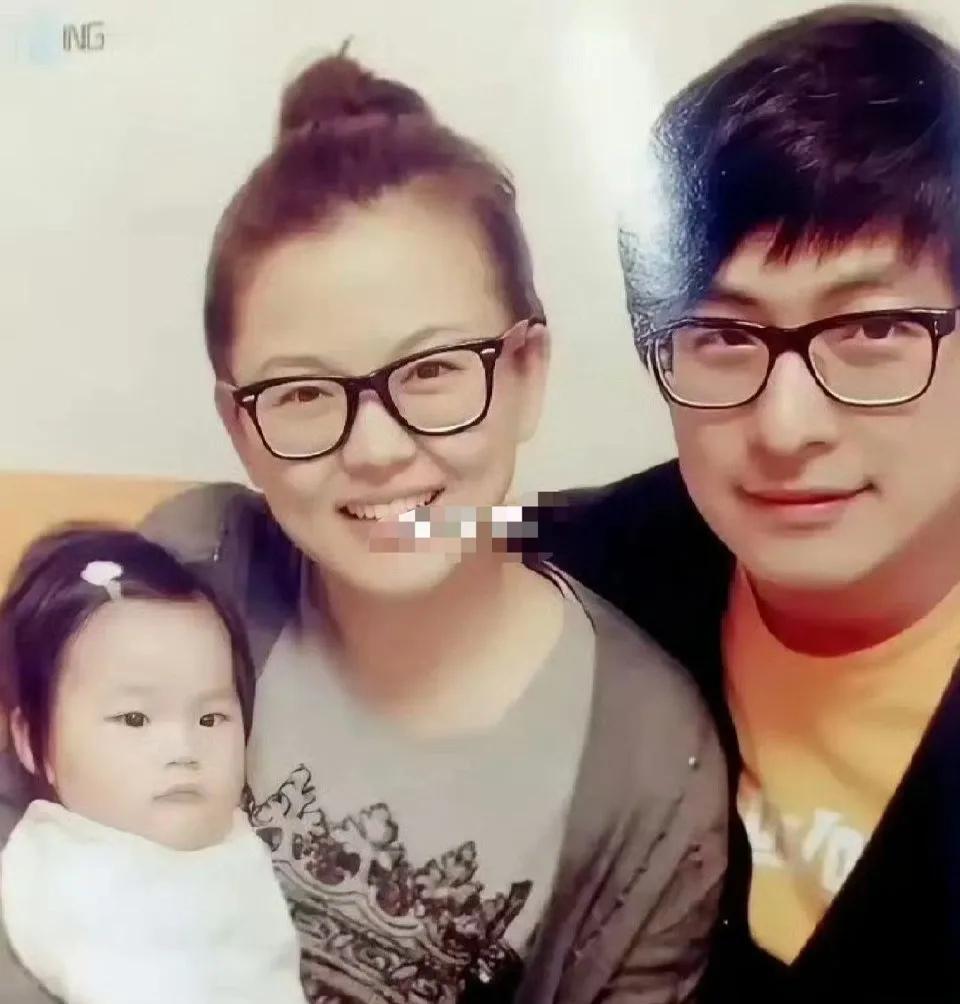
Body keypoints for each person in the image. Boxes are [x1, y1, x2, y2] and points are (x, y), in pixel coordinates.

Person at [0, 54, 728, 1004]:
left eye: (431, 372)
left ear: (525, 372)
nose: (378, 450)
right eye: (303, 392)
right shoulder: (194, 568)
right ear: (239, 427)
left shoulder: (648, 768)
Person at [538, 6, 960, 1003]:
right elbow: (433, 534)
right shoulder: (613, 564)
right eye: (723, 336)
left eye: (873, 330)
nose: (785, 425)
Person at [0, 526, 305, 1003]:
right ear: (31, 743)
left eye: (210, 718)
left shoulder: (227, 841)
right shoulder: (73, 878)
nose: (184, 748)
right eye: (135, 719)